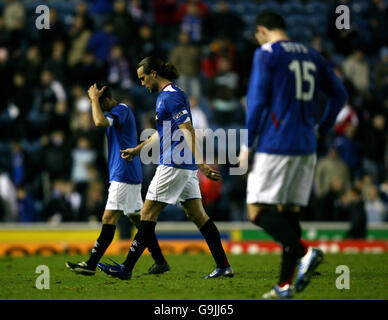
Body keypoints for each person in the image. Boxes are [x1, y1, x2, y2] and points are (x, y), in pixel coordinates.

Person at [238, 12, 347, 299]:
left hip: (277, 143)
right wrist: (322, 127)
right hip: (306, 144)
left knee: (256, 211)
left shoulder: (267, 53)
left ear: (262, 31)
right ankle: (284, 286)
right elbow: (339, 95)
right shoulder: (312, 54)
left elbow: (258, 101)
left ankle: (306, 253)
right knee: (288, 213)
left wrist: (247, 146)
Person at [98, 56, 233, 280]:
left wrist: (201, 164)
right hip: (183, 165)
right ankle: (223, 266)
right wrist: (138, 149)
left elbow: (187, 129)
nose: (142, 83)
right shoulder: (166, 97)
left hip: (174, 164)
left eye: (143, 78)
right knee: (198, 215)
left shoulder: (171, 97)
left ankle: (127, 268)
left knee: (147, 213)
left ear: (153, 74)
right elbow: (163, 133)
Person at [66, 84, 169, 275]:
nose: (95, 106)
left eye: (97, 103)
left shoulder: (121, 110)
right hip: (125, 172)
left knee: (109, 217)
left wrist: (94, 100)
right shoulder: (120, 112)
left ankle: (90, 264)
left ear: (105, 100)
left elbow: (98, 122)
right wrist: (95, 100)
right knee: (139, 221)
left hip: (124, 173)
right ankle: (160, 261)